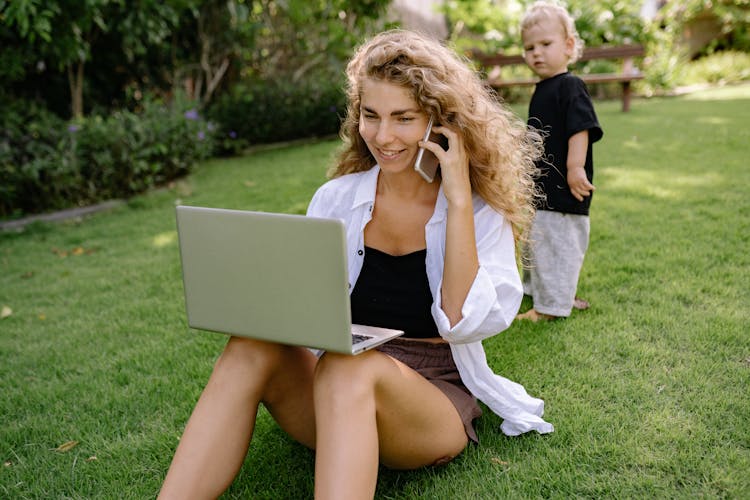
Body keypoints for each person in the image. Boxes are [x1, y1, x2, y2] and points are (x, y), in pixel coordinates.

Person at [158, 29, 553, 500]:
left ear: (439, 122)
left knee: (352, 368)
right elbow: (307, 309)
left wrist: (459, 200)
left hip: (428, 400)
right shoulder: (337, 199)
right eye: (371, 115)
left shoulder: (480, 213)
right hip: (333, 388)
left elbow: (463, 322)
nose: (383, 136)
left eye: (403, 118)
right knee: (251, 344)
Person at [516, 1, 604, 322]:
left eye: (545, 44)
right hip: (542, 187)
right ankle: (545, 292)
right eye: (529, 47)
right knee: (538, 245)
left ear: (568, 46)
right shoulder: (542, 89)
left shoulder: (571, 86)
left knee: (558, 246)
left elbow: (579, 128)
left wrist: (575, 167)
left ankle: (549, 308)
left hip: (564, 189)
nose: (536, 53)